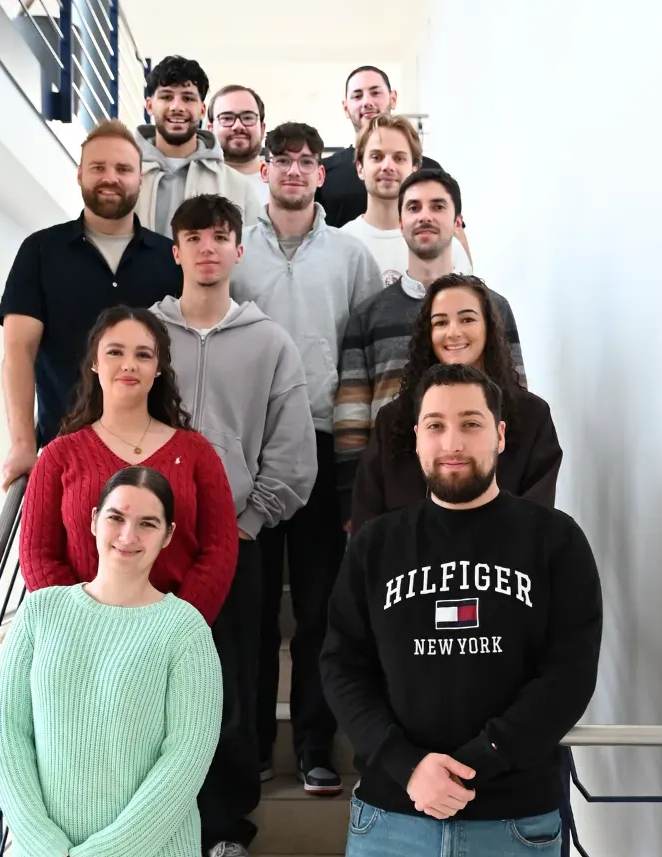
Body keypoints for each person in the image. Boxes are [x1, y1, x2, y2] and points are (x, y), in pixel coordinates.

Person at [321, 362, 603, 857]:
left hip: (515, 822)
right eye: (436, 425)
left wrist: (477, 761)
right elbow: (342, 668)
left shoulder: (555, 540)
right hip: (391, 819)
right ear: (417, 438)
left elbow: (569, 676)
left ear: (500, 435)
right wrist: (408, 766)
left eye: (471, 423)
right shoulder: (375, 546)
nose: (452, 442)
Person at [151, 194, 318, 857]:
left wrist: (248, 521)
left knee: (228, 682)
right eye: (194, 237)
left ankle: (223, 828)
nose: (208, 248)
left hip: (234, 541)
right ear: (176, 251)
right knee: (152, 684)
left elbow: (293, 449)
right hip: (148, 546)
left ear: (238, 251)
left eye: (220, 236)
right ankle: (155, 822)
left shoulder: (269, 341)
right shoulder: (147, 334)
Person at [230, 121, 383, 795]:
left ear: (322, 174)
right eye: (281, 159)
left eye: (305, 161)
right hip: (252, 447)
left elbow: (365, 354)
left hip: (324, 443)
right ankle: (257, 746)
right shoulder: (236, 249)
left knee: (320, 607)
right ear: (264, 170)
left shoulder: (351, 256)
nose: (293, 170)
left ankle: (317, 745)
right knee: (256, 609)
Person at [0, 466, 224, 857]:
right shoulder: (39, 612)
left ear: (168, 535)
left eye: (147, 524)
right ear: (94, 520)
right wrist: (45, 846)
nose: (128, 536)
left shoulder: (185, 629)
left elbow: (186, 758)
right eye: (116, 518)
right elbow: (7, 735)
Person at [18, 305, 239, 627]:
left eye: (143, 355)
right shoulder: (58, 456)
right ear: (95, 362)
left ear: (158, 368)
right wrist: (82, 624)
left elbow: (219, 550)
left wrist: (175, 627)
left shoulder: (196, 453)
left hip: (172, 637)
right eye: (115, 352)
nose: (129, 365)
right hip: (81, 637)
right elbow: (38, 554)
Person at [335, 172, 528, 528]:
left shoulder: (494, 308)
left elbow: (516, 404)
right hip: (393, 499)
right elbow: (351, 417)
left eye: (437, 206)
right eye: (414, 207)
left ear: (457, 221)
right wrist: (352, 504)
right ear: (400, 222)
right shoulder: (368, 315)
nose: (425, 215)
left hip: (486, 498)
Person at [0, 119, 181, 486]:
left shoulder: (171, 258)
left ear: (140, 179)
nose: (110, 178)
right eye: (98, 167)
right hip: (64, 455)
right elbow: (18, 351)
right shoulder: (40, 252)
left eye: (123, 169)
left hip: (155, 457)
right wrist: (22, 443)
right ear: (80, 175)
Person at [349, 273, 560, 533]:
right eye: (440, 322)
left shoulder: (532, 416)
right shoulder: (393, 418)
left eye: (467, 319)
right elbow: (368, 521)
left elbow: (538, 521)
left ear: (488, 328)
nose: (453, 333)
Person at [317, 66, 468, 263]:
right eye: (357, 95)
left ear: (393, 98)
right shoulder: (325, 173)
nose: (367, 102)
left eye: (375, 93)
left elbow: (455, 233)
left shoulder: (431, 171)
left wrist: (466, 274)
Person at [136, 56, 261, 238]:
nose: (177, 107)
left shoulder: (238, 188)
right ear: (149, 106)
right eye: (167, 97)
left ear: (202, 110)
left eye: (188, 98)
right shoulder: (125, 177)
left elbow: (252, 250)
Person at [340, 114, 471, 285]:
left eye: (399, 158)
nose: (388, 166)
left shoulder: (449, 247)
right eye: (377, 157)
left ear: (415, 168)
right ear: (360, 168)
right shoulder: (341, 244)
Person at [208, 85, 269, 206]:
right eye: (226, 118)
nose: (238, 126)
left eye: (248, 117)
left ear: (262, 129)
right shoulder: (194, 181)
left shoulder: (281, 186)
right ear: (210, 129)